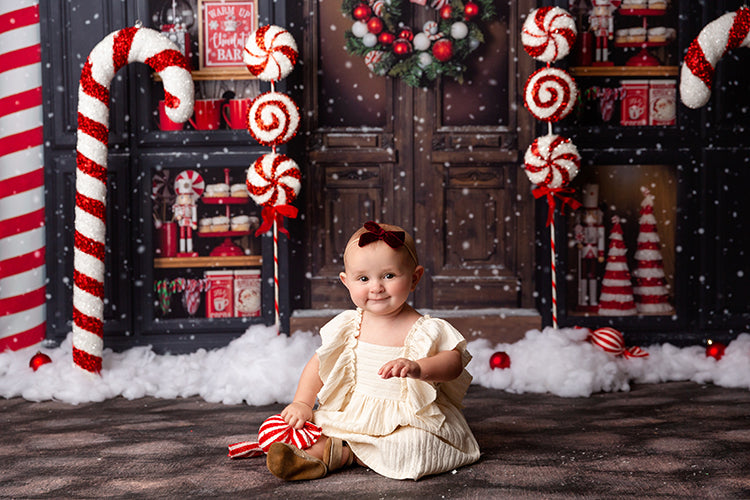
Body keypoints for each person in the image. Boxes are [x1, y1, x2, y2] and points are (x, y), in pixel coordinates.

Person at [266, 221, 480, 481]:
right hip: (353, 411)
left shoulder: (426, 328)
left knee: (414, 445)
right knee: (305, 426)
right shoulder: (348, 326)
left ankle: (344, 454)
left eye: (389, 276)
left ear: (415, 277)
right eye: (363, 278)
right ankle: (327, 450)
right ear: (346, 281)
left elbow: (453, 362)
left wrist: (420, 368)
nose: (376, 287)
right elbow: (319, 364)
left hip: (404, 418)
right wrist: (302, 402)